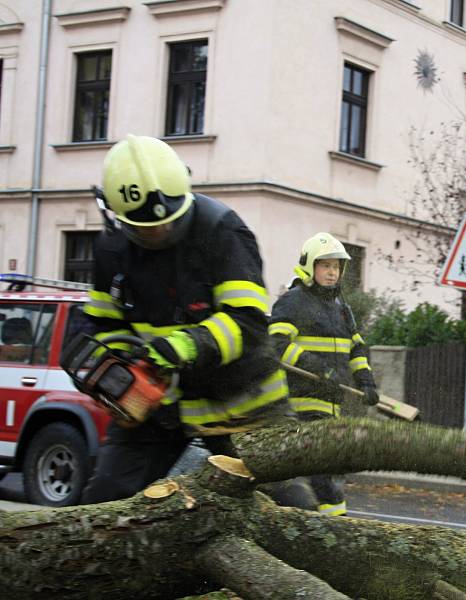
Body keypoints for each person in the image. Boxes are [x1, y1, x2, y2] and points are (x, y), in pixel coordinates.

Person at [78, 134, 313, 507]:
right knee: (105, 503)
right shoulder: (111, 250)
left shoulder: (223, 232)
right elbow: (105, 324)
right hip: (158, 407)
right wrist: (120, 375)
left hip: (241, 402)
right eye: (145, 230)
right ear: (118, 217)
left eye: (169, 225)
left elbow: (248, 323)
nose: (159, 233)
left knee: (290, 511)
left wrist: (186, 345)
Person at [268, 232, 379, 516]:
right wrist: (318, 370)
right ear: (309, 265)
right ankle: (335, 527)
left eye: (336, 267)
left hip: (332, 403)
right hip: (300, 403)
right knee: (322, 472)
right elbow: (278, 345)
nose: (332, 273)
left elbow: (356, 347)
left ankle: (319, 527)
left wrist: (365, 380)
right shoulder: (292, 302)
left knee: (323, 473)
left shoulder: (342, 308)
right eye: (325, 265)